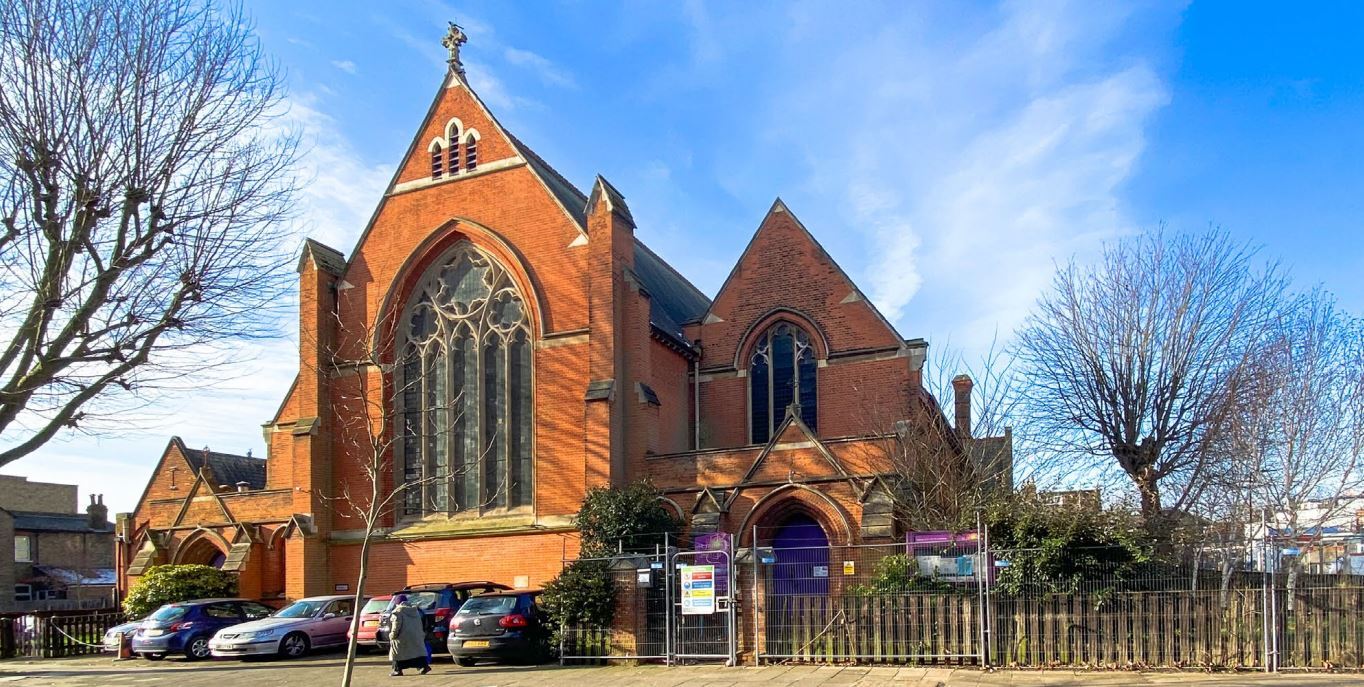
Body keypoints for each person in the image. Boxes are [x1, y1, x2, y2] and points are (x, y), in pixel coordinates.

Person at [388, 594, 431, 676]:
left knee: (397, 653)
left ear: (397, 603)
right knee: (416, 652)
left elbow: (396, 625)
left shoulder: (397, 612)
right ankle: (424, 666)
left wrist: (393, 635)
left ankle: (397, 670)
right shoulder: (415, 611)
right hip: (415, 636)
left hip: (402, 637)